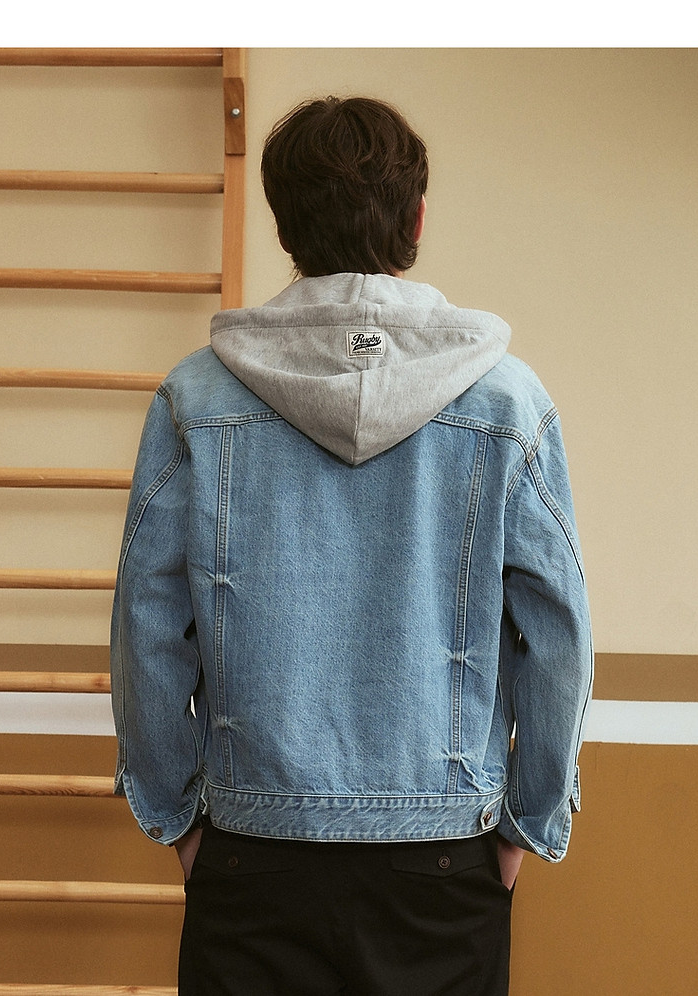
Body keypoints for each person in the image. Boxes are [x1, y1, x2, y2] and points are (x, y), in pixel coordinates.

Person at [110, 96, 593, 996]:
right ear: (417, 221)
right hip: (444, 862)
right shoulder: (508, 403)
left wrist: (180, 821)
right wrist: (526, 826)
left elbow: (148, 627)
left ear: (285, 226)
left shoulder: (196, 399)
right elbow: (558, 633)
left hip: (251, 855)